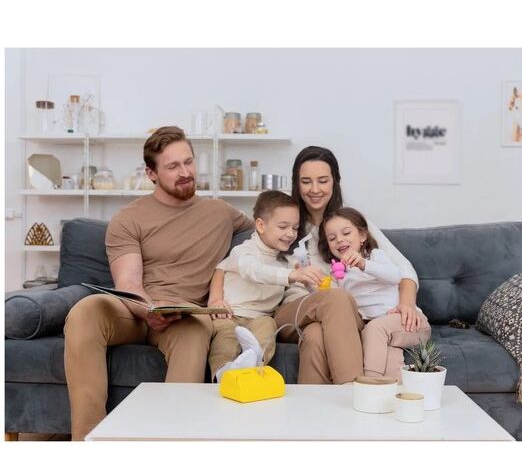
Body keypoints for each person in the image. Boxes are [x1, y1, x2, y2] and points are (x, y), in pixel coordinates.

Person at [63, 126, 254, 440]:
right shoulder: (129, 218)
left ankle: (170, 445)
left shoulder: (221, 213)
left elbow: (270, 231)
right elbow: (128, 281)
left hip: (185, 314)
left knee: (194, 331)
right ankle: (88, 442)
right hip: (136, 309)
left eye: (188, 162)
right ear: (151, 174)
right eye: (173, 166)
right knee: (86, 311)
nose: (185, 172)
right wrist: (148, 310)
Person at [274, 146, 423, 384]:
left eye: (323, 180)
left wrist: (406, 305)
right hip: (296, 310)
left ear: (335, 181)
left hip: (335, 317)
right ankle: (354, 391)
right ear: (296, 184)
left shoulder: (349, 223)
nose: (315, 189)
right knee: (336, 299)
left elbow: (403, 270)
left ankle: (312, 405)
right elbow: (253, 244)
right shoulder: (285, 222)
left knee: (315, 336)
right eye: (306, 181)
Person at [207, 190, 323, 382]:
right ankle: (222, 372)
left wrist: (305, 279)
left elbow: (302, 291)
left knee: (268, 327)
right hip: (230, 314)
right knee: (225, 338)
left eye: (295, 228)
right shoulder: (243, 251)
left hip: (261, 317)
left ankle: (253, 363)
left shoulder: (286, 261)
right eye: (283, 226)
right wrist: (215, 299)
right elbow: (253, 270)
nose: (290, 234)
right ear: (261, 225)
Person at [318, 207, 431, 381]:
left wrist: (364, 264)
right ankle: (395, 390)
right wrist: (312, 282)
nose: (339, 239)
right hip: (383, 333)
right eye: (332, 238)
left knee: (374, 329)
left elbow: (396, 276)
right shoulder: (340, 274)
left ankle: (369, 382)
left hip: (409, 322)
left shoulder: (375, 257)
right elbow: (333, 301)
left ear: (363, 236)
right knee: (389, 357)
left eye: (346, 233)